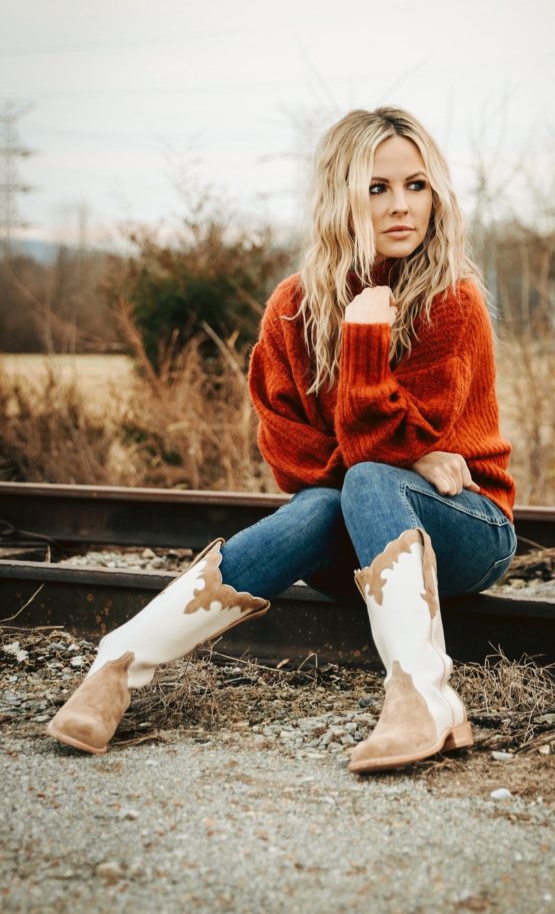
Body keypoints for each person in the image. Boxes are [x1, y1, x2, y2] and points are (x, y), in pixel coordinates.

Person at [47, 106, 516, 774]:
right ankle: (117, 666)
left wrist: (365, 354)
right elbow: (291, 459)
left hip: (467, 526)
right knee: (338, 495)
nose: (400, 206)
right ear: (340, 198)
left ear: (436, 193)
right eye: (376, 188)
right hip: (352, 546)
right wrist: (399, 454)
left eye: (415, 185)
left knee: (366, 482)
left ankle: (422, 697)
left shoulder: (452, 302)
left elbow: (388, 454)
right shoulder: (292, 308)